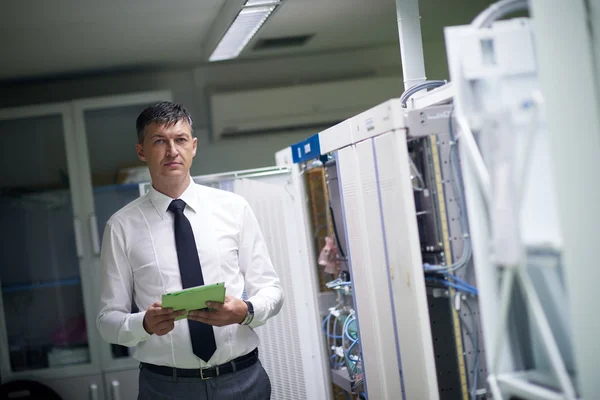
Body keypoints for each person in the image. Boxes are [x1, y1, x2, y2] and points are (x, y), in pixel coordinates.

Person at [96, 101, 284, 400]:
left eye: (180, 140)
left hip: (243, 381)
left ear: (193, 146)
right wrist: (142, 323)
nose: (172, 151)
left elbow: (271, 290)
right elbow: (108, 321)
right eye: (159, 141)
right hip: (166, 388)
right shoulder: (121, 226)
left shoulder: (234, 209)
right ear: (141, 151)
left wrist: (246, 311)